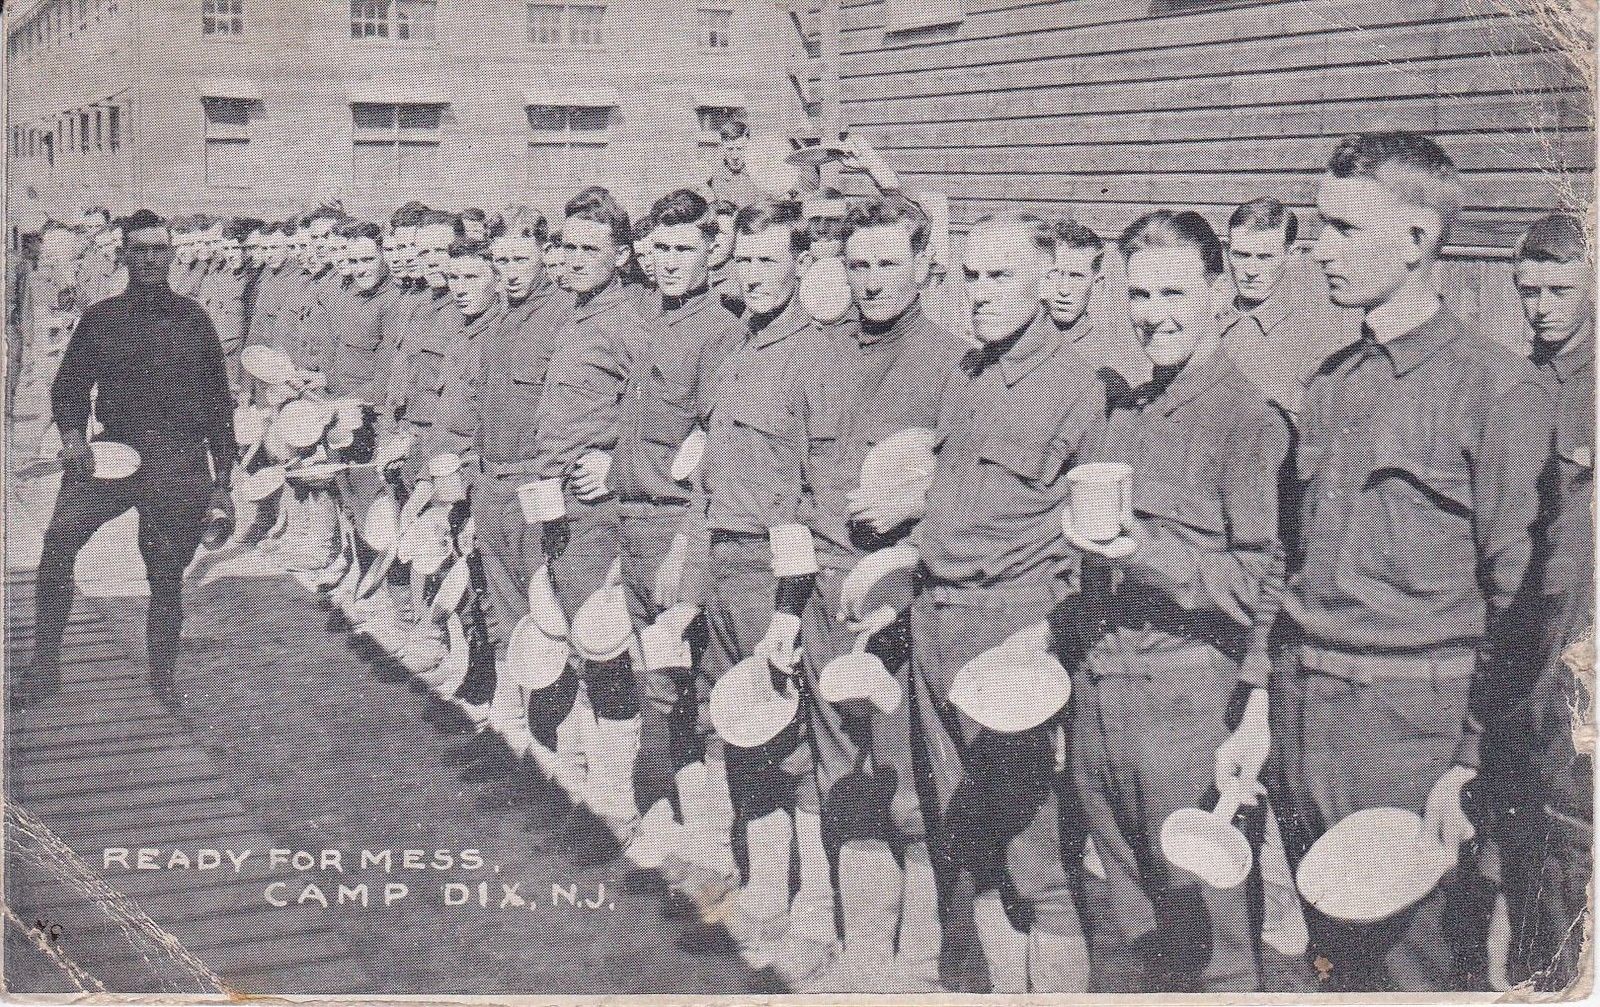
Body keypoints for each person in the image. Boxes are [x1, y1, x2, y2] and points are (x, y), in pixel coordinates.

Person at [1283, 132, 1553, 991]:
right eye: (1319, 226)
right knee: (1329, 963)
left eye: (1341, 228)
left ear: (1417, 239)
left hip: (1413, 733)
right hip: (1307, 713)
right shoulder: (1328, 382)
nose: (1318, 248)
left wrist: (1474, 760)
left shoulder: (1499, 391)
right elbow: (1294, 566)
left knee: (1420, 968)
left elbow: (1525, 605)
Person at [842, 211, 1103, 993]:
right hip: (937, 626)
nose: (981, 293)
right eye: (972, 277)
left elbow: (1094, 558)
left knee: (1039, 863)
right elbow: (948, 503)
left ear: (1047, 280)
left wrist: (1048, 647)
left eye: (1001, 277)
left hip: (1012, 640)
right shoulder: (966, 374)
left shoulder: (1079, 390)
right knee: (974, 844)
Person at [1062, 210, 1287, 992]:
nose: (1154, 313)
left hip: (1190, 712)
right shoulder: (1123, 412)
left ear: (1219, 291)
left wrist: (1146, 554)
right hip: (1103, 704)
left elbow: (1262, 583)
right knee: (1137, 927)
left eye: (1174, 292)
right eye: (1139, 293)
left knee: (1215, 942)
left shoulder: (1247, 419)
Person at [788, 195, 966, 992]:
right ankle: (865, 951)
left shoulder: (956, 364)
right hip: (826, 594)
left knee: (907, 782)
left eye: (888, 262)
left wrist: (917, 509)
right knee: (842, 773)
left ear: (924, 264)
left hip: (903, 602)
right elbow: (795, 481)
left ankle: (919, 952)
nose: (871, 280)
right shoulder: (817, 354)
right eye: (857, 264)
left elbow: (977, 491)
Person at [22, 209, 236, 707]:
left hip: (179, 461)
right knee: (56, 549)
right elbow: (69, 387)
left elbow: (219, 406)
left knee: (165, 575)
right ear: (123, 257)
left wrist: (222, 484)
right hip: (113, 453)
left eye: (158, 250)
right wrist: (74, 437)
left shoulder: (196, 321)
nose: (149, 260)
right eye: (138, 251)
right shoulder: (102, 319)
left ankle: (162, 679)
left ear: (172, 256)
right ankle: (44, 668)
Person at [609, 189, 744, 871]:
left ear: (712, 250)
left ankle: (710, 837)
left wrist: (686, 552)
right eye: (658, 248)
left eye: (683, 248)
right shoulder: (650, 320)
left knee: (682, 682)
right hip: (632, 522)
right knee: (653, 679)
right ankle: (677, 818)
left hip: (675, 528)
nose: (668, 262)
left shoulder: (720, 332)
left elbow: (714, 453)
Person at [1480, 212, 1593, 992]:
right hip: (1520, 638)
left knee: (1566, 831)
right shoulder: (1526, 377)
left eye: (1560, 289)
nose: (1542, 305)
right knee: (1515, 823)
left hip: (1577, 644)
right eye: (1528, 291)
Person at [523, 187, 650, 843]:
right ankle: (577, 772)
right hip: (557, 506)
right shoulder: (572, 317)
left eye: (589, 249)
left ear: (622, 256)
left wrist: (618, 461)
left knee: (603, 648)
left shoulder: (629, 324)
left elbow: (662, 417)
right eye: (566, 247)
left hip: (598, 514)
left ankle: (617, 796)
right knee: (570, 639)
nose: (572, 259)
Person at [1220, 198, 1355, 419]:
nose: (1251, 270)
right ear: (1228, 251)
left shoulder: (1317, 330)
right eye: (1241, 255)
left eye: (1265, 257)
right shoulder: (1208, 314)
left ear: (1291, 254)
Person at [1043, 218, 1150, 403]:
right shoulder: (1009, 339)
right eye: (1054, 275)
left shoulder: (1111, 361)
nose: (1063, 290)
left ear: (1097, 283)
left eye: (1076, 276)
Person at [705, 120, 760, 208]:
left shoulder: (759, 172)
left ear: (748, 147)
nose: (735, 156)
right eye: (729, 149)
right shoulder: (715, 176)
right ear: (722, 148)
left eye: (740, 149)